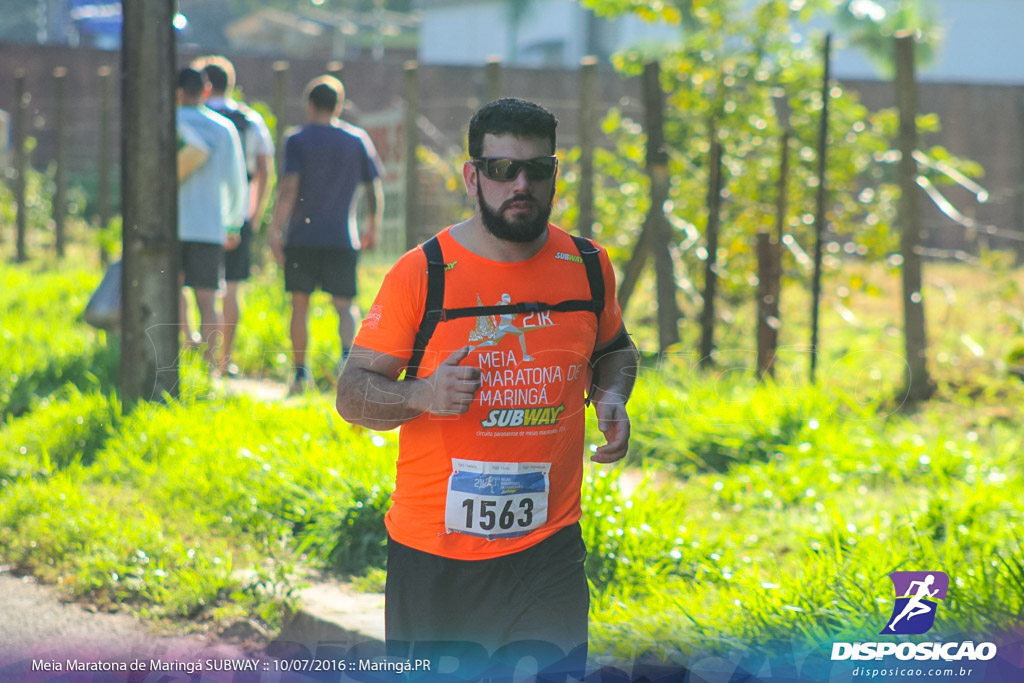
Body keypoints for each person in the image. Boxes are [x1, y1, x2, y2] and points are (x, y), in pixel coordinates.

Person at [336, 97, 639, 680]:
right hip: (435, 557)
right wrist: (422, 395)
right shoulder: (424, 273)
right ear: (473, 176)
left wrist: (612, 394)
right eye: (502, 170)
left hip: (548, 551)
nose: (520, 184)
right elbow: (353, 394)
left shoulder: (586, 263)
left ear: (555, 176)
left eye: (537, 170)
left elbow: (617, 349)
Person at [269, 75, 383, 396]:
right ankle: (349, 370)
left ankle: (300, 376)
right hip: (342, 237)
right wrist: (372, 225)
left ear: (309, 104)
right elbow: (373, 188)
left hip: (302, 237)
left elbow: (289, 187)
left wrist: (276, 229)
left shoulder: (297, 139)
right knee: (345, 306)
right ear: (339, 105)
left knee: (300, 305)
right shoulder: (356, 138)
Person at [193, 55, 276, 377]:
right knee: (232, 288)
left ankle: (198, 355)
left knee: (196, 287)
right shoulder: (250, 120)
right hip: (237, 214)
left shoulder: (195, 116)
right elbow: (264, 171)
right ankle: (224, 360)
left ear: (204, 84)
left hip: (198, 215)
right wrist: (253, 214)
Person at [176, 67, 247, 370]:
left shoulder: (168, 123)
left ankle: (180, 346)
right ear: (205, 91)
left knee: (172, 290)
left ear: (177, 91)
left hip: (171, 225)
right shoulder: (223, 128)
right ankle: (209, 366)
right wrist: (232, 223)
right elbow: (236, 181)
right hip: (209, 226)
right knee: (208, 298)